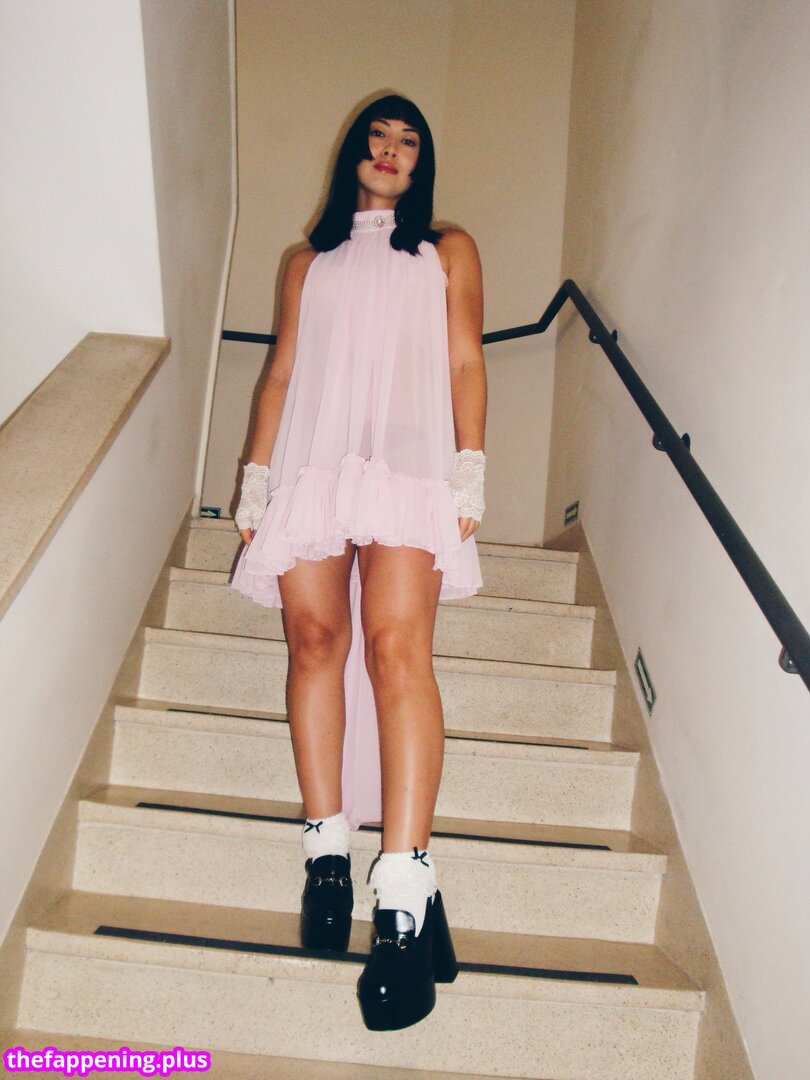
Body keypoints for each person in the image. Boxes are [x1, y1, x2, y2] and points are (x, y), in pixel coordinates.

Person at [231, 94, 487, 1030]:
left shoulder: (446, 250)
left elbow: (465, 363)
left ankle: (405, 899)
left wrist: (469, 465)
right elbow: (281, 372)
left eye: (409, 140)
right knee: (313, 642)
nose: (391, 150)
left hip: (410, 469)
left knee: (395, 648)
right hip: (313, 465)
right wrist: (256, 479)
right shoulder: (307, 263)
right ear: (354, 152)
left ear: (422, 163)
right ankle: (328, 854)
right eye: (378, 136)